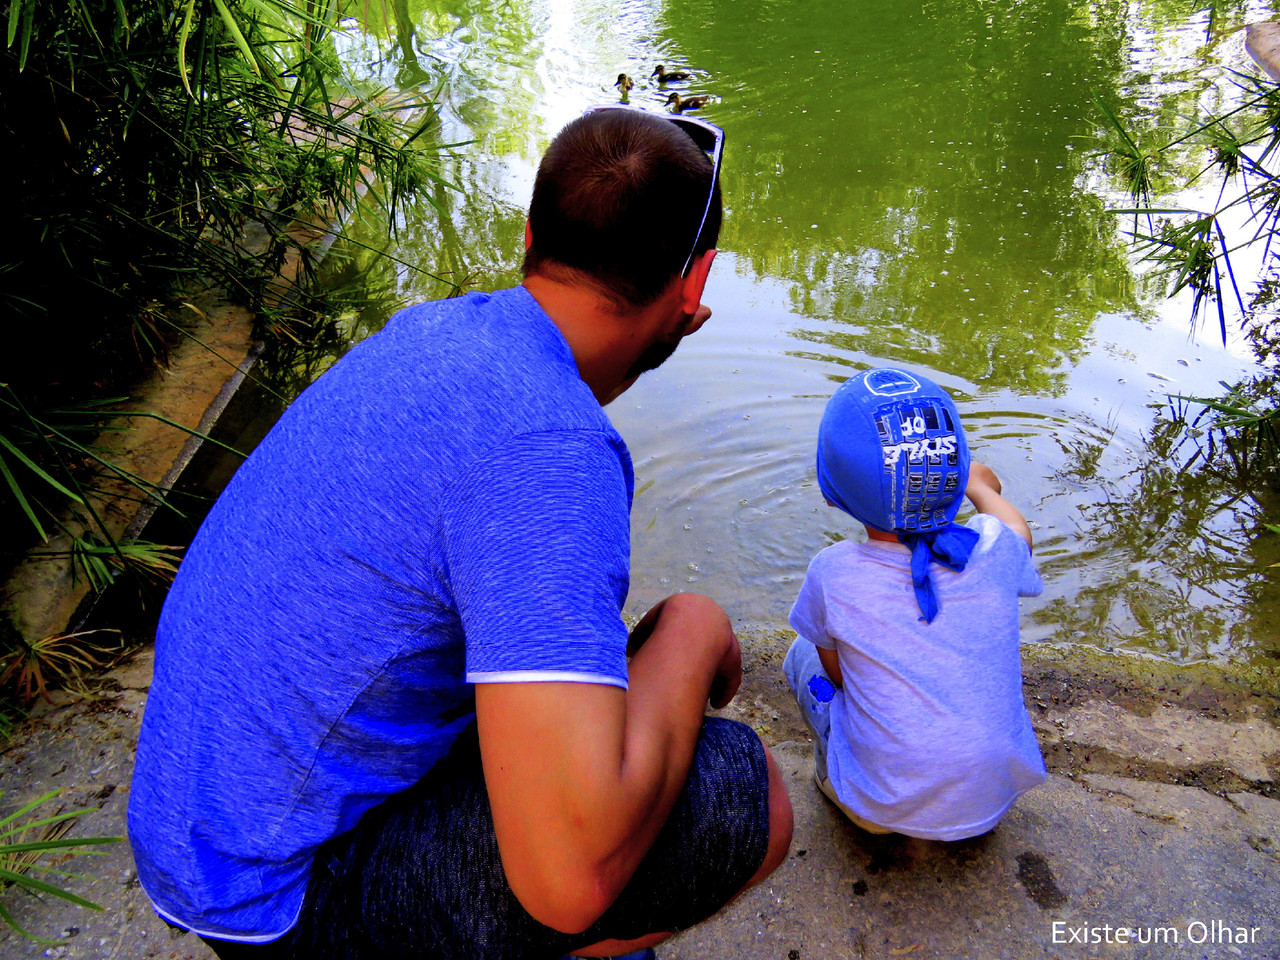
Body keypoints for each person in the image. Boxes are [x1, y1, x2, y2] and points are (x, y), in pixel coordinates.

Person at [128, 106, 792, 960]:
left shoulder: (438, 332)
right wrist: (694, 628)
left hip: (202, 817)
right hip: (275, 893)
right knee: (747, 794)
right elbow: (566, 881)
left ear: (530, 237)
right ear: (693, 289)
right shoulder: (551, 451)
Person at [783, 366, 1045, 840]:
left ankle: (833, 777)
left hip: (876, 809)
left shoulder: (834, 572)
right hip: (991, 802)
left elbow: (840, 674)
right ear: (958, 468)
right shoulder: (993, 549)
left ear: (832, 492)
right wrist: (982, 488)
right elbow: (1018, 534)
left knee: (803, 652)